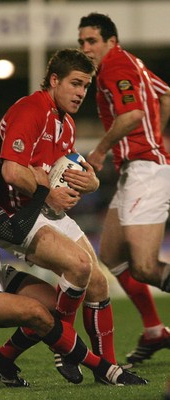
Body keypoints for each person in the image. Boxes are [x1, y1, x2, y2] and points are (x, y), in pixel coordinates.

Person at [0, 122, 147, 388]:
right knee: (36, 313)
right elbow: (13, 232)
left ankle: (1, 359)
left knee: (52, 305)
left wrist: (87, 181)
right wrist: (44, 192)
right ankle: (105, 369)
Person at [0, 48, 131, 384]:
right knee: (79, 267)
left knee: (97, 281)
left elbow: (63, 169)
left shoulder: (64, 123)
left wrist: (91, 181)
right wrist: (48, 192)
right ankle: (65, 347)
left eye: (86, 86)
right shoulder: (30, 109)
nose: (82, 93)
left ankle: (106, 370)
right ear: (54, 80)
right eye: (76, 84)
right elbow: (11, 171)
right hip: (15, 215)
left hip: (43, 208)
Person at [78, 12, 170, 364]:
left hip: (147, 170)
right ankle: (155, 330)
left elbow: (131, 115)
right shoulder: (131, 62)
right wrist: (156, 137)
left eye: (92, 41)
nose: (86, 48)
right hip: (139, 167)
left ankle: (154, 329)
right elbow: (165, 96)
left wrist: (100, 150)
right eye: (81, 41)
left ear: (110, 42)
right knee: (113, 257)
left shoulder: (114, 66)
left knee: (145, 267)